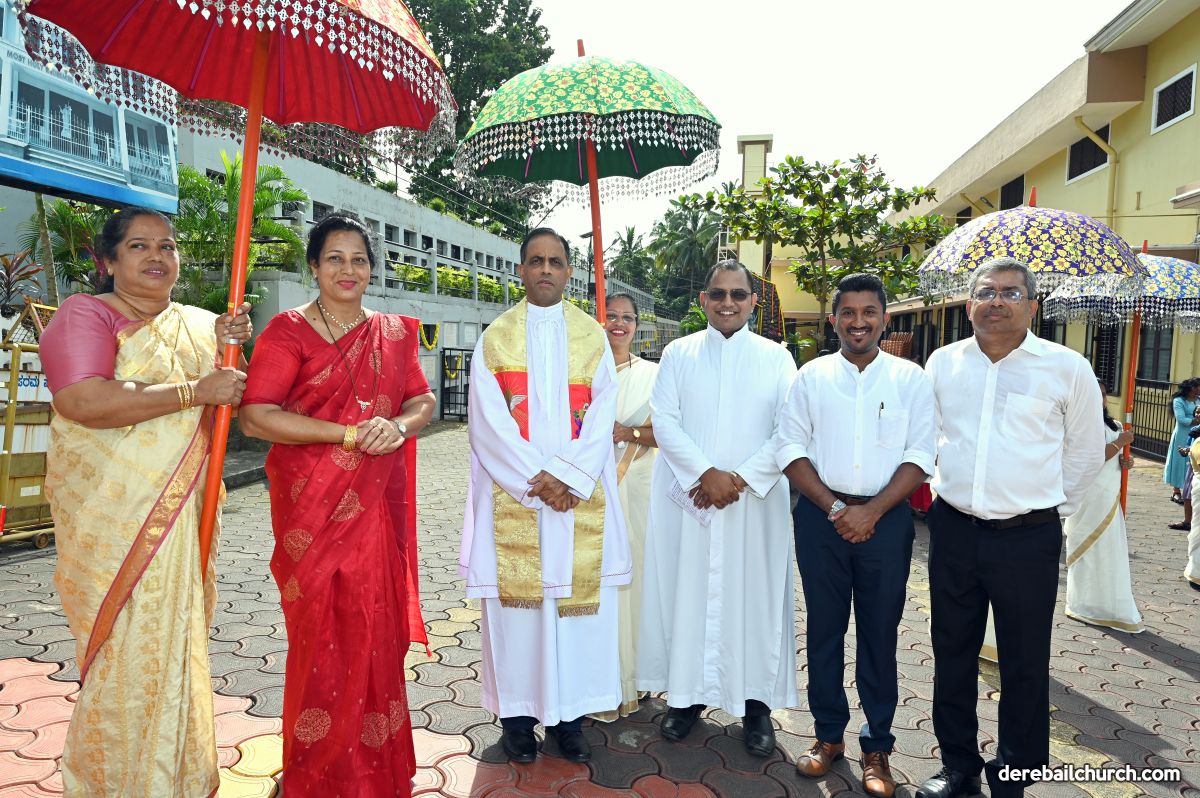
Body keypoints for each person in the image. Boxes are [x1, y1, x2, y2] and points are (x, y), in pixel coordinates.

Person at [41, 207, 251, 796]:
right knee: (125, 652)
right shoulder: (85, 314)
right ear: (108, 261)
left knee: (176, 646)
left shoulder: (201, 324)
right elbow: (84, 401)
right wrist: (194, 390)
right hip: (115, 524)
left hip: (183, 515)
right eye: (139, 246)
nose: (157, 256)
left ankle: (179, 778)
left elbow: (236, 400)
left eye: (167, 245)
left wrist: (232, 351)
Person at [239, 214, 436, 796]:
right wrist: (347, 434)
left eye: (358, 259)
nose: (348, 270)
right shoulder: (287, 332)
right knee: (320, 641)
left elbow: (422, 400)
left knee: (375, 633)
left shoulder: (394, 333)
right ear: (314, 266)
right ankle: (317, 772)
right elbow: (256, 416)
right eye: (334, 258)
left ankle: (375, 770)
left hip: (373, 511)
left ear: (371, 268)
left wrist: (397, 428)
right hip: (312, 511)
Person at [917, 258, 1105, 798]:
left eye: (1011, 292)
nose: (996, 301)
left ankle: (1015, 775)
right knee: (952, 652)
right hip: (954, 531)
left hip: (1028, 537)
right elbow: (925, 436)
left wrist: (1048, 509)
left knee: (1024, 660)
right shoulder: (943, 363)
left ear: (1033, 305)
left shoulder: (1066, 367)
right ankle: (958, 767)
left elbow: (1086, 451)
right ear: (969, 304)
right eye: (986, 292)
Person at [459, 228, 630, 764]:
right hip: (521, 498)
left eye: (556, 261)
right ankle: (517, 719)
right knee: (519, 618)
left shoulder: (592, 338)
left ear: (569, 271)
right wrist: (539, 480)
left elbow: (603, 415)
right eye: (536, 261)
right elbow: (487, 422)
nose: (546, 270)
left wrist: (570, 478)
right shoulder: (496, 338)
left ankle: (568, 720)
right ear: (521, 269)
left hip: (575, 501)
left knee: (574, 617)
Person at [778, 274, 936, 797]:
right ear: (834, 320)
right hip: (821, 520)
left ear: (885, 319)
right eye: (848, 312)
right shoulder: (811, 377)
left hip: (886, 523)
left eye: (869, 312)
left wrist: (872, 512)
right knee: (824, 631)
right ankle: (828, 736)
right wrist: (838, 508)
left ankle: (877, 747)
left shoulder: (910, 379)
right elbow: (789, 449)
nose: (859, 322)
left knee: (879, 635)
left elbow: (921, 455)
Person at [638, 259, 798, 757]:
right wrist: (704, 473)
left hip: (755, 503)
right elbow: (664, 420)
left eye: (738, 294)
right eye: (718, 293)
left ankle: (756, 706)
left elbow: (790, 430)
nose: (728, 302)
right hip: (691, 500)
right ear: (703, 299)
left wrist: (740, 478)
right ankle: (685, 698)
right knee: (687, 595)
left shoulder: (777, 359)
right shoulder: (678, 353)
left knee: (755, 600)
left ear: (754, 302)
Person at [592, 292, 659, 721]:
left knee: (633, 579)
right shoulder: (583, 371)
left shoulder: (653, 375)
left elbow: (667, 433)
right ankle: (592, 678)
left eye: (627, 318)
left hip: (636, 488)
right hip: (588, 493)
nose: (618, 324)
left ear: (637, 325)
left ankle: (631, 677)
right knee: (593, 584)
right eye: (611, 316)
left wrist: (627, 433)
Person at [1062, 380, 1142, 632]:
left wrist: (1126, 461)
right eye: (1094, 393)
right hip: (1088, 497)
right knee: (1088, 551)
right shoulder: (1079, 425)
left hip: (1109, 497)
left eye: (1104, 394)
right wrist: (1121, 442)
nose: (1100, 398)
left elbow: (1115, 459)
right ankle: (1084, 604)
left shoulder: (1115, 425)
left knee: (1109, 551)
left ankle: (1106, 604)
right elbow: (1094, 457)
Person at [1165, 378, 1199, 502]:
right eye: (1198, 386)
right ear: (1192, 388)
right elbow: (1181, 419)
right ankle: (1176, 491)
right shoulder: (1179, 401)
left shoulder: (1199, 400)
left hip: (1197, 434)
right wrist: (1195, 421)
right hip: (1182, 434)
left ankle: (1190, 489)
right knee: (1180, 461)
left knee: (1194, 460)